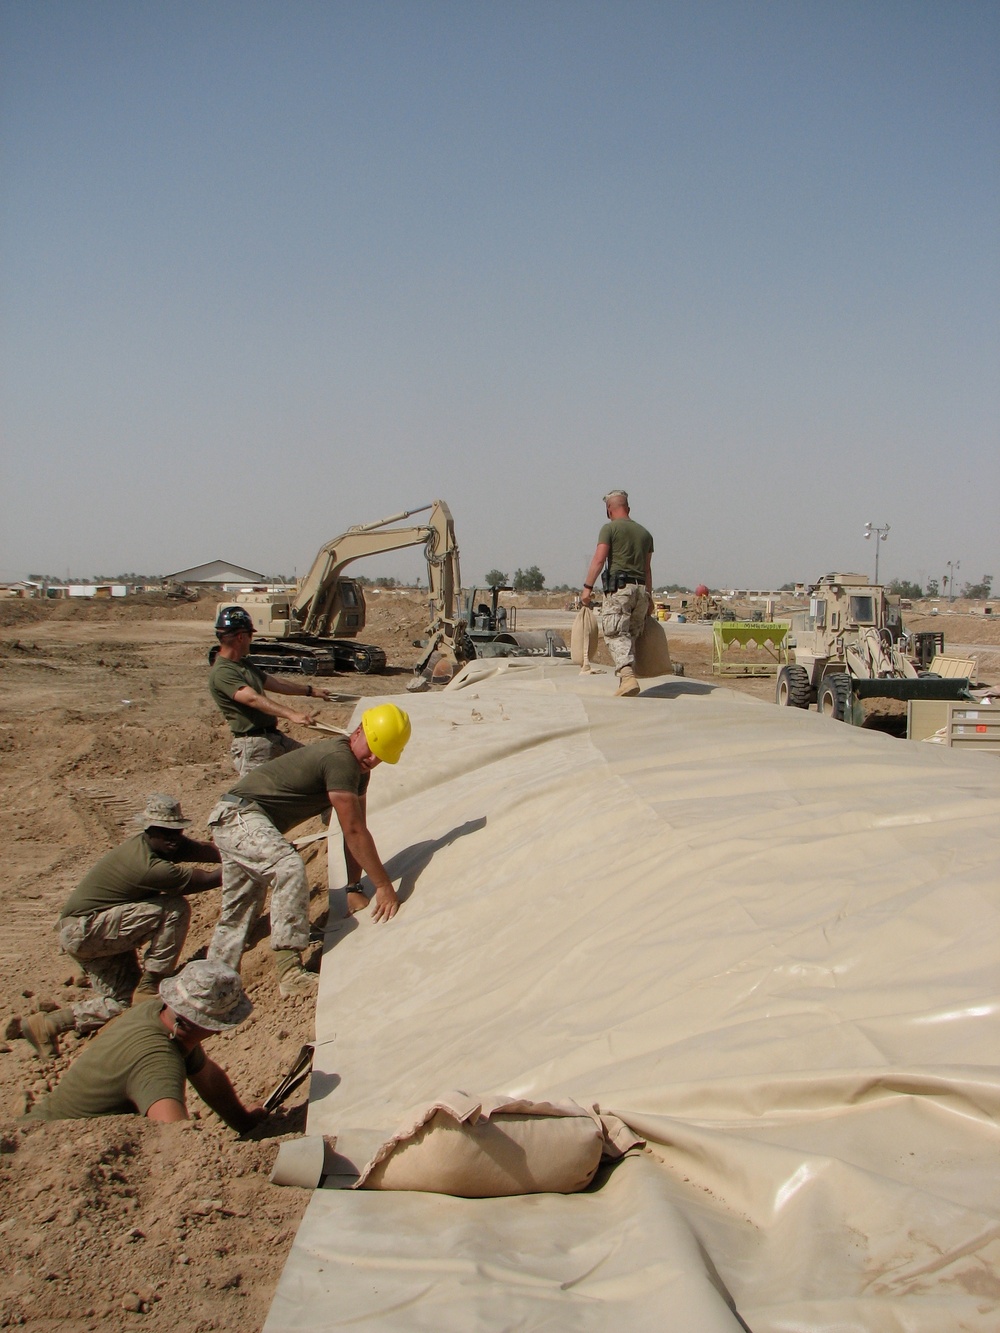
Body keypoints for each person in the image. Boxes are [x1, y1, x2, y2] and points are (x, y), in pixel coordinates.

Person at [206, 702, 412, 998]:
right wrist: (382, 885)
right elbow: (354, 831)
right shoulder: (339, 759)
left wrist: (354, 886)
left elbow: (354, 828)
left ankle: (213, 986)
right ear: (357, 732)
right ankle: (289, 971)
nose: (373, 758)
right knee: (287, 866)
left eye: (382, 756)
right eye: (372, 747)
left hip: (238, 819)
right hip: (239, 816)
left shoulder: (358, 770)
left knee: (240, 908)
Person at [19, 795, 223, 1060]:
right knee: (174, 908)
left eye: (177, 830)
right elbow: (205, 880)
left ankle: (48, 1025)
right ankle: (153, 983)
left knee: (123, 1002)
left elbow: (204, 851)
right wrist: (250, 863)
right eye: (165, 832)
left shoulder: (163, 845)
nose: (173, 838)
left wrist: (241, 849)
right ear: (149, 830)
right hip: (85, 931)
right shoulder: (147, 865)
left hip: (99, 931)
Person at [27, 959, 264, 1133]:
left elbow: (208, 1078)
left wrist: (245, 1122)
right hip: (49, 1144)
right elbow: (175, 1140)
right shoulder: (157, 1061)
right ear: (214, 1025)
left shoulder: (160, 1017)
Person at [209, 605, 340, 776]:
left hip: (273, 738)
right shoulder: (222, 672)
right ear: (241, 637)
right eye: (251, 635)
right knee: (257, 798)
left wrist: (310, 690)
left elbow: (275, 683)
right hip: (253, 745)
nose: (252, 639)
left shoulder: (243, 664)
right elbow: (252, 699)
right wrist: (291, 714)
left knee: (315, 768)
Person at [580, 489, 655, 697]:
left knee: (615, 634)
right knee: (630, 636)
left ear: (608, 510)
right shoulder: (645, 534)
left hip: (620, 590)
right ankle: (626, 682)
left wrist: (587, 587)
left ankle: (627, 675)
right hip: (641, 591)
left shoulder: (609, 529)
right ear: (628, 508)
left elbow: (599, 559)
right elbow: (647, 569)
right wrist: (650, 597)